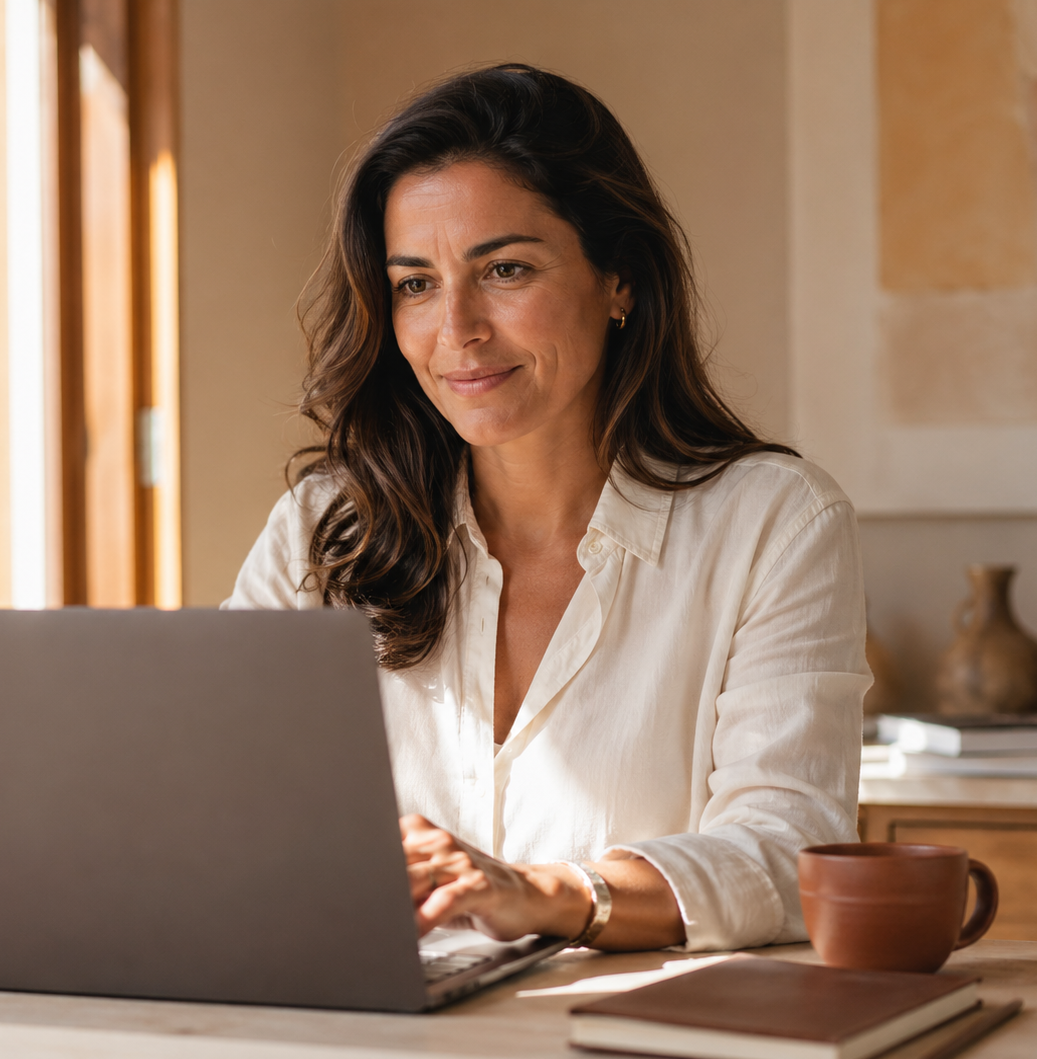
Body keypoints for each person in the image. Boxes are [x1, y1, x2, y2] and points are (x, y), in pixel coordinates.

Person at [226, 64, 868, 953]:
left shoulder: (773, 523)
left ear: (621, 282)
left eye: (505, 269)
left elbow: (791, 851)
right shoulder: (320, 528)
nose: (457, 328)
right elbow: (218, 810)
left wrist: (546, 894)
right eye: (415, 283)